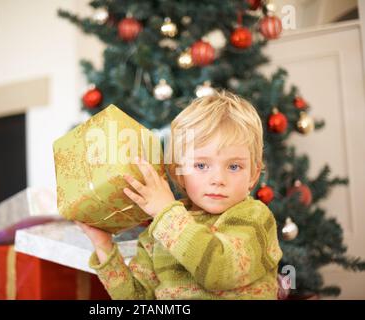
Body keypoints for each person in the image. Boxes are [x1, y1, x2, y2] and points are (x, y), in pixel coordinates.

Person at [76, 90, 283, 299]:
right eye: (202, 165)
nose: (218, 179)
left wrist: (166, 214)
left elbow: (219, 270)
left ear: (253, 175)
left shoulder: (255, 218)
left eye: (234, 166)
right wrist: (104, 247)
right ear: (179, 172)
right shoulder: (160, 228)